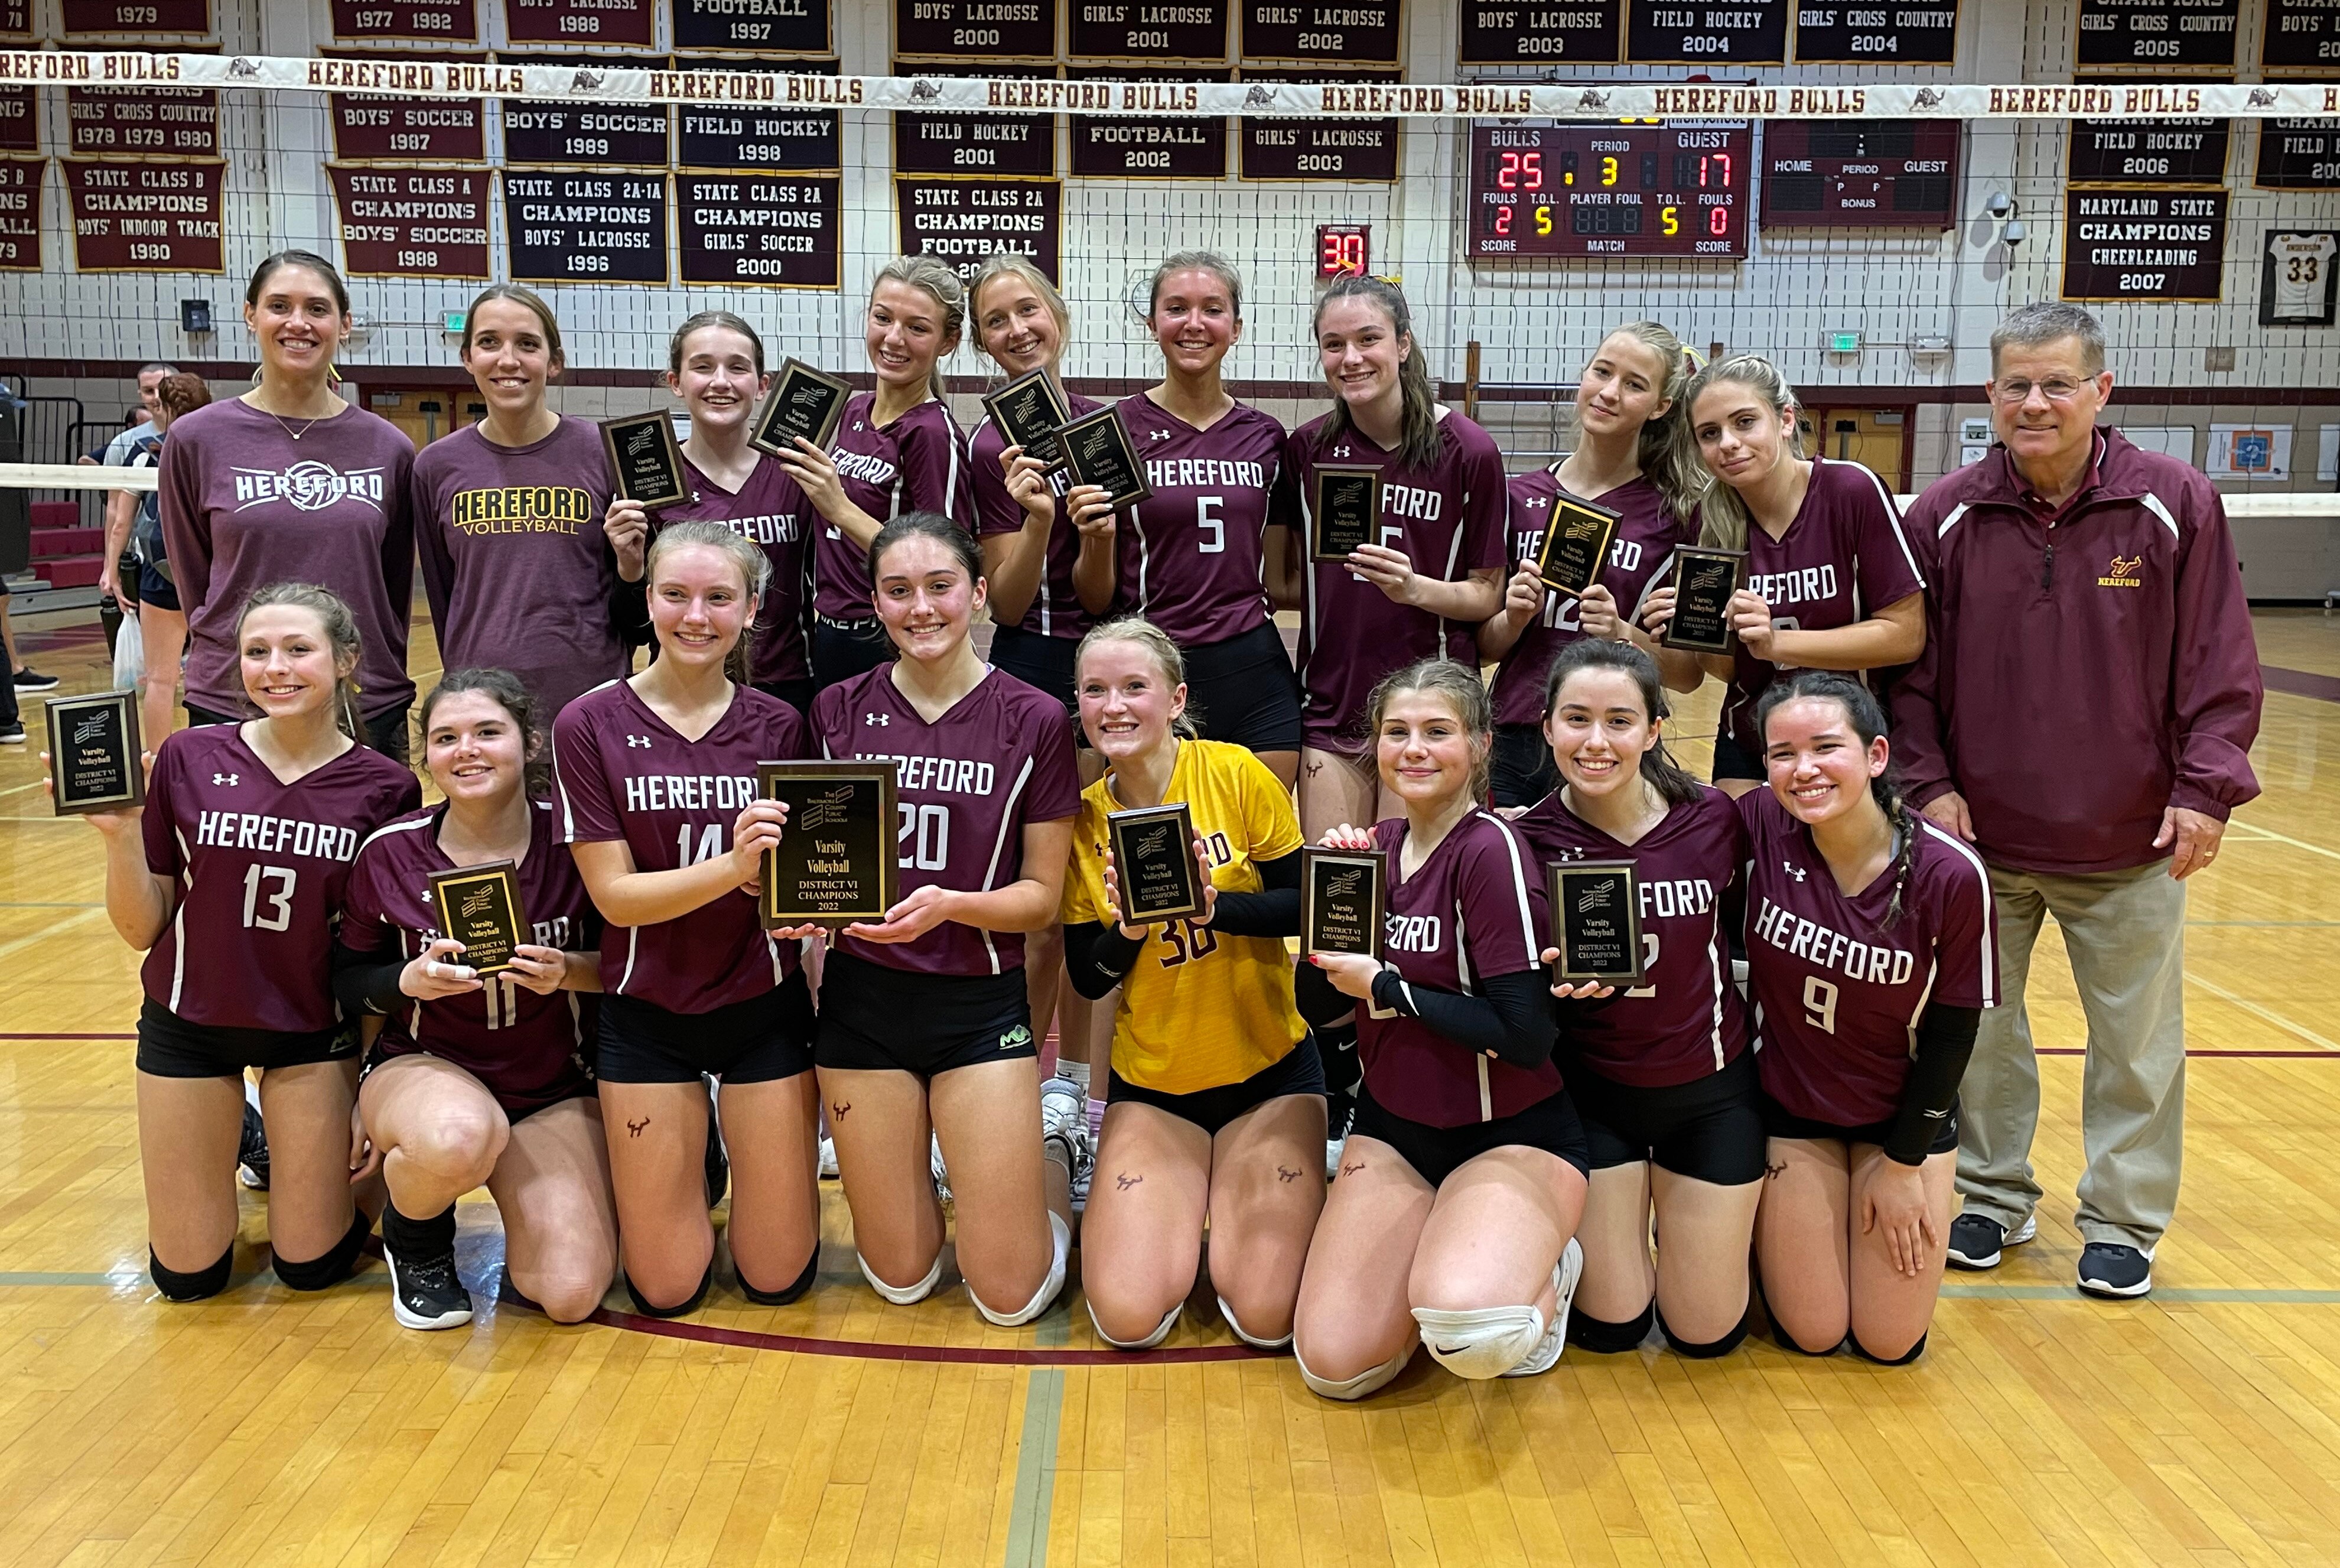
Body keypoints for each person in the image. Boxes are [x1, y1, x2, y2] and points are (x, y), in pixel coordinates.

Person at [1892, 302, 2263, 1299]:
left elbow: (2219, 656)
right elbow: (1910, 674)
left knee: (2138, 1044)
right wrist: (1926, 784)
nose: (2036, 402)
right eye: (2016, 384)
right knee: (1982, 1033)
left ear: (2102, 390)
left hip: (2132, 836)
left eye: (2057, 383)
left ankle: (2122, 1219)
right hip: (1982, 841)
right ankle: (1990, 1193)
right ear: (1989, 395)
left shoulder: (2175, 500)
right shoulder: (1943, 514)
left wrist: (2206, 787)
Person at [64, 582, 419, 1301]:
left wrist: (365, 1085)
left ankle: (325, 1162)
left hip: (311, 1031)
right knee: (188, 1277)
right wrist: (119, 836)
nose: (275, 668)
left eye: (298, 649)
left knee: (309, 1265)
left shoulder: (386, 787)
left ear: (345, 659)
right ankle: (253, 1136)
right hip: (189, 1026)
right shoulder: (188, 758)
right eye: (256, 651)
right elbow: (142, 929)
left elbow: (373, 949)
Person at [1288, 658, 1593, 1398]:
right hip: (1395, 1130)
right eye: (1397, 732)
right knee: (1335, 1366)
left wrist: (1386, 984)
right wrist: (1330, 899)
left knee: (1472, 1331)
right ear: (1375, 745)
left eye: (1437, 732)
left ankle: (1543, 1263)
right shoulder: (1375, 847)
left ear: (1480, 744)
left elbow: (1525, 1036)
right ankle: (1448, 1237)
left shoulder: (1489, 849)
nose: (1414, 748)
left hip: (1509, 1130)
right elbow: (1319, 1008)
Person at [807, 513, 1084, 1326]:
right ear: (875, 603)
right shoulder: (834, 710)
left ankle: (1050, 1163)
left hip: (979, 1006)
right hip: (862, 1010)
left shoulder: (1032, 716)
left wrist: (952, 906)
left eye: (940, 587)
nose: (920, 607)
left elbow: (1041, 898)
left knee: (1010, 1293)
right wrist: (798, 914)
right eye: (898, 590)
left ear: (978, 593)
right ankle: (926, 1167)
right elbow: (819, 872)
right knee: (901, 1276)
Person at [551, 521, 819, 1317]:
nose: (695, 615)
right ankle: (689, 1150)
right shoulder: (588, 722)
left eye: (717, 597)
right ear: (649, 599)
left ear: (752, 609)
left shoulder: (781, 725)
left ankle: (724, 1144)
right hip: (646, 1013)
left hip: (759, 1007)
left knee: (775, 1279)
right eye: (675, 594)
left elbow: (797, 881)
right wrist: (735, 870)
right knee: (666, 1289)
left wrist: (814, 904)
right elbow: (615, 898)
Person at [1061, 617, 1325, 1351]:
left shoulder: (1236, 772)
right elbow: (1087, 974)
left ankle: (1271, 1180)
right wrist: (1131, 929)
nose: (1113, 705)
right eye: (1095, 689)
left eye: (1134, 687)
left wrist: (1217, 908)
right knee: (1125, 1316)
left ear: (1176, 698)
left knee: (1267, 1316)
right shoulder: (1084, 822)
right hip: (1155, 1085)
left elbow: (1302, 902)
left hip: (1267, 1072)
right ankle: (1087, 1161)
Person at [339, 668, 614, 1330]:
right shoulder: (391, 851)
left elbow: (636, 966)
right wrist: (406, 980)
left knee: (570, 1292)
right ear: (426, 755)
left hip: (553, 1084)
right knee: (457, 1135)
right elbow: (349, 978)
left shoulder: (580, 840)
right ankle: (419, 1241)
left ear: (531, 742)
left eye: (489, 732)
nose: (467, 749)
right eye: (446, 737)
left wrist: (568, 969)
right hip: (426, 1069)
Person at [1514, 640, 1761, 1357]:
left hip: (1712, 1094)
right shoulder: (1525, 839)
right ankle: (1560, 1258)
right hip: (1595, 1099)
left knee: (1705, 1334)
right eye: (1577, 719)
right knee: (1613, 1328)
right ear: (1548, 727)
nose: (1596, 741)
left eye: (1619, 720)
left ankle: (1741, 1250)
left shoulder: (1715, 817)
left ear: (1654, 729)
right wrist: (1547, 985)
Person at [1742, 672, 1996, 1362]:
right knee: (1817, 1332)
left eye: (1826, 747)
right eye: (1781, 753)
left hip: (1899, 1125)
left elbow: (1952, 1033)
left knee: (1888, 1342)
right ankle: (1755, 1255)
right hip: (1792, 1115)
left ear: (1876, 754)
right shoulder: (1762, 823)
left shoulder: (1949, 873)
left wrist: (1905, 1165)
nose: (1804, 770)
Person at [160, 253, 418, 759]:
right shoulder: (196, 439)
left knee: (376, 842)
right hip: (237, 696)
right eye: (280, 306)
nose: (298, 323)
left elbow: (391, 586)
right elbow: (195, 579)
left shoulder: (389, 447)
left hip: (361, 697)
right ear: (251, 314)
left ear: (343, 325)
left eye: (317, 309)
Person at [964, 253, 1117, 1100]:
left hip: (1100, 666)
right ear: (981, 343)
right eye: (997, 320)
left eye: (1028, 311)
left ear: (1057, 315)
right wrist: (1038, 519)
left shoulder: (1102, 425)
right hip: (1026, 665)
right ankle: (1012, 1080)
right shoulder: (990, 441)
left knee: (1095, 897)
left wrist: (1094, 534)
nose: (1018, 330)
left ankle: (1080, 1087)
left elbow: (1100, 594)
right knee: (1032, 901)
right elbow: (1011, 604)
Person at [1283, 276, 1508, 841]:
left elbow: (1485, 594)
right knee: (1339, 895)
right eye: (1333, 345)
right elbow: (1285, 581)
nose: (1351, 358)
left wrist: (1415, 590)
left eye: (1368, 339)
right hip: (1332, 699)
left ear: (1402, 344)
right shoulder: (1305, 448)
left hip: (1429, 705)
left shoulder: (1468, 451)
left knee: (1412, 900)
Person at [1643, 355, 1925, 796]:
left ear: (1786, 420)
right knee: (1746, 856)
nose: (1729, 443)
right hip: (1751, 738)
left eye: (1744, 422)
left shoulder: (1849, 490)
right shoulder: (1708, 519)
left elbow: (1905, 634)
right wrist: (1691, 633)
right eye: (1710, 434)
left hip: (1845, 736)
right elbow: (1726, 670)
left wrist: (1776, 641)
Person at [1480, 324, 1703, 807]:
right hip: (1515, 731)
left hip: (1612, 739)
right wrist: (1513, 617)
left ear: (1660, 406)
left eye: (1634, 384)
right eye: (1601, 372)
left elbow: (1687, 674)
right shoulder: (1516, 498)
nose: (1609, 393)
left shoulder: (1675, 516)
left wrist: (1623, 632)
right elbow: (1481, 648)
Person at [412, 284, 647, 719]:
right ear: (467, 358)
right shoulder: (435, 466)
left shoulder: (604, 451)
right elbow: (444, 593)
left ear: (553, 362)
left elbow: (634, 589)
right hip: (483, 701)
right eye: (488, 342)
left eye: (527, 344)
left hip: (588, 698)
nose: (507, 360)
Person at [1115, 252, 1305, 789]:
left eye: (1212, 309)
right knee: (1159, 853)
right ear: (1152, 323)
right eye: (1176, 308)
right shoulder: (1117, 431)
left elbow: (1277, 575)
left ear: (1235, 327)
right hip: (1153, 664)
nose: (1194, 324)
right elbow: (1096, 586)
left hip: (1252, 665)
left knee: (1261, 855)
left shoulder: (1268, 437)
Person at [783, 257, 978, 691]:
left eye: (917, 327)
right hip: (828, 630)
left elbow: (943, 561)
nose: (894, 338)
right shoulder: (852, 409)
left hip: (885, 638)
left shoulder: (930, 432)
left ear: (948, 341)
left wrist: (839, 508)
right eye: (883, 318)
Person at [652, 310, 815, 715]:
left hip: (789, 684)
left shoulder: (797, 474)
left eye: (737, 368)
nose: (720, 382)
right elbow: (632, 611)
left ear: (762, 386)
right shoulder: (653, 486)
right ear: (676, 382)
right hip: (685, 684)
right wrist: (625, 561)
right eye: (703, 367)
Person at [112, 374, 213, 753]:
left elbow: (122, 520)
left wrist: (111, 570)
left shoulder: (145, 453)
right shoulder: (223, 450)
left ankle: (157, 766)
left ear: (164, 408)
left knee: (160, 679)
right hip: (214, 574)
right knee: (228, 676)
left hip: (164, 572)